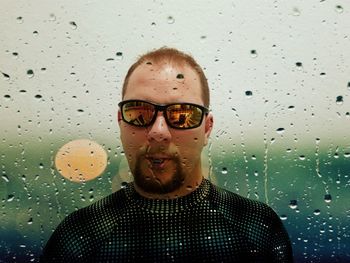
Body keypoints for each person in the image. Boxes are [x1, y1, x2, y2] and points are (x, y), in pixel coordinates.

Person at [41, 47, 293, 262]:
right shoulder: (80, 237)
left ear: (207, 128)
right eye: (138, 112)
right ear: (120, 121)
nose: (158, 132)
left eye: (182, 115)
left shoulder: (257, 228)